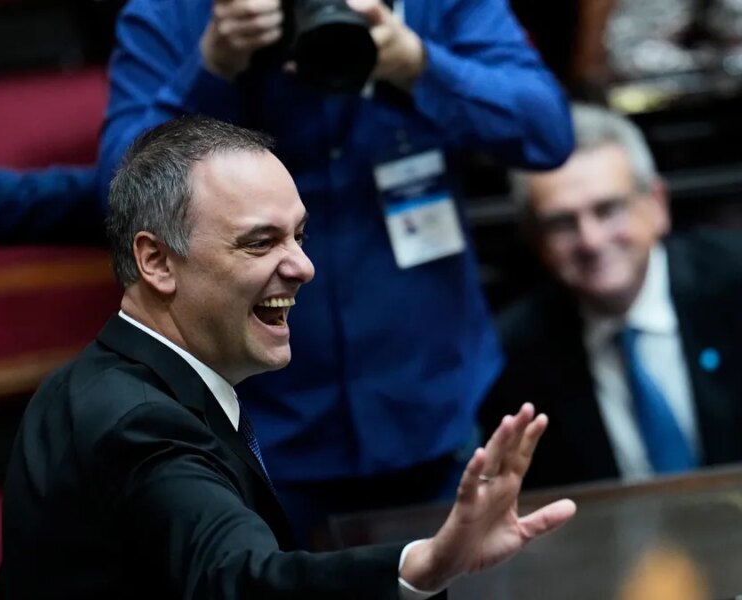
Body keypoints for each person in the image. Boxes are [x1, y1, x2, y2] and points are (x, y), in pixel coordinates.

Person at [0, 116, 576, 599]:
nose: (303, 266)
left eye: (299, 235)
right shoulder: (140, 421)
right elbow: (237, 578)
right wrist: (419, 567)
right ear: (157, 262)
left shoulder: (100, 380)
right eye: (261, 242)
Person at [96, 0, 575, 543]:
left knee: (452, 580)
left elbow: (548, 132)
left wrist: (417, 64)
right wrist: (211, 67)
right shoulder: (173, 13)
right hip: (256, 427)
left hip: (430, 406)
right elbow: (116, 199)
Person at [479, 103, 742, 489]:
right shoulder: (515, 352)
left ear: (656, 204)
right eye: (561, 223)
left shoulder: (734, 285)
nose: (591, 240)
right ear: (534, 238)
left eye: (608, 210)